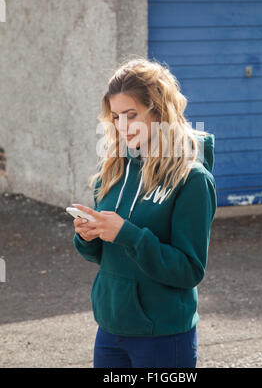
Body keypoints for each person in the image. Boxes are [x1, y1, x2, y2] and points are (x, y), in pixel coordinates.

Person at [72, 57, 217, 368]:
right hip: (110, 328)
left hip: (163, 335)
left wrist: (128, 234)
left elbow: (189, 270)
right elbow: (105, 254)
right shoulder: (113, 167)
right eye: (115, 117)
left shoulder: (191, 180)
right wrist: (88, 236)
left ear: (160, 111)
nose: (122, 127)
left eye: (131, 115)